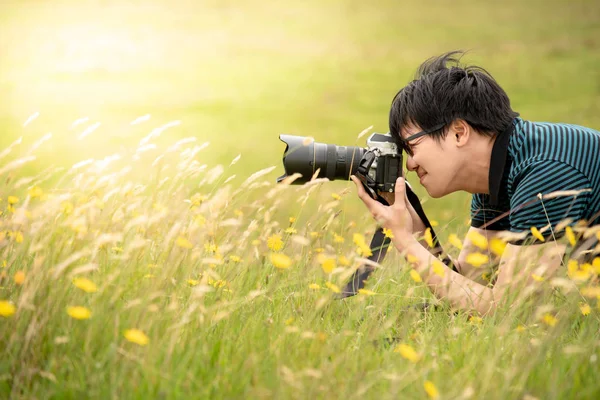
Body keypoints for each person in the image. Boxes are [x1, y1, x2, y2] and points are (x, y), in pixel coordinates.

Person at [351, 51, 600, 315]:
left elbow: (508, 309)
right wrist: (410, 222)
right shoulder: (500, 170)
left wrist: (403, 240)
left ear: (459, 132)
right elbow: (470, 284)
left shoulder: (545, 172)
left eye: (412, 147)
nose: (410, 165)